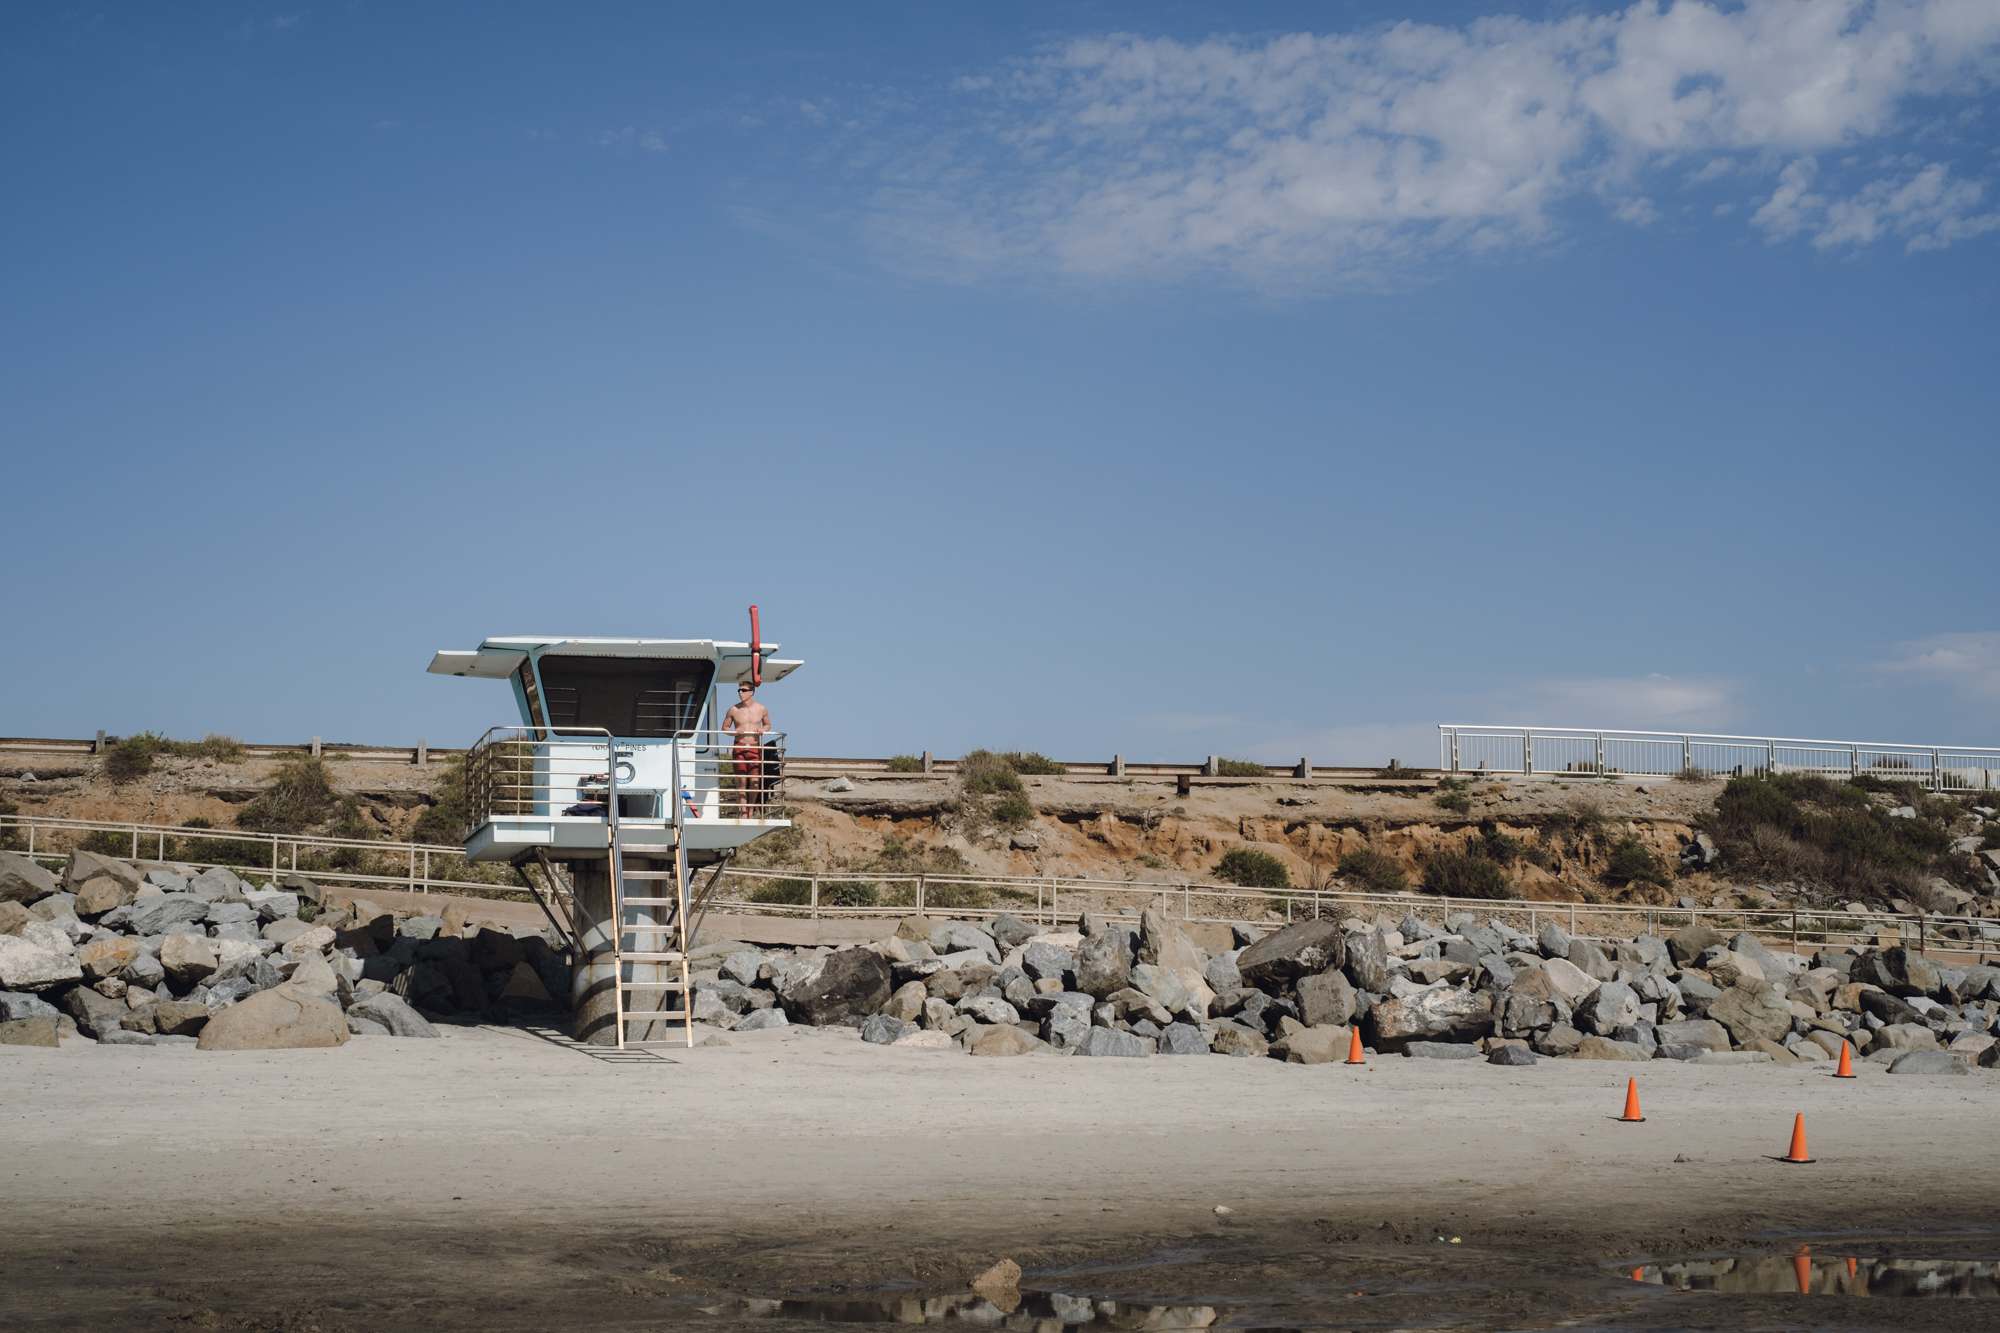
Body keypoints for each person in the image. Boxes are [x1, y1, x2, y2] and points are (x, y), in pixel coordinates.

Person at [722, 679, 773, 813]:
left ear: (752, 692)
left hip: (755, 748)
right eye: (739, 690)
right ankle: (743, 812)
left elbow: (768, 725)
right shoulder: (733, 709)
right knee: (742, 783)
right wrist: (734, 732)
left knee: (755, 782)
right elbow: (725, 728)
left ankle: (750, 809)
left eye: (743, 690)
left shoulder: (761, 709)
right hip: (739, 746)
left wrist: (763, 730)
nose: (740, 693)